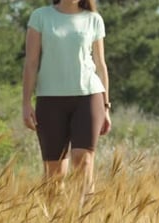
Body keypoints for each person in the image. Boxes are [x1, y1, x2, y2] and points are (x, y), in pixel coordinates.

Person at [22, 0, 111, 193]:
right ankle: (57, 221)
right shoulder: (41, 16)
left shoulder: (93, 19)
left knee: (83, 160)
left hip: (88, 96)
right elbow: (31, 62)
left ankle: (87, 218)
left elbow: (100, 64)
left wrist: (106, 106)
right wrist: (26, 103)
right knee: (54, 175)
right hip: (50, 99)